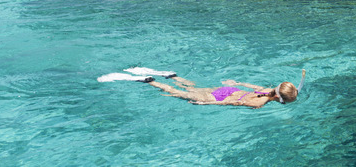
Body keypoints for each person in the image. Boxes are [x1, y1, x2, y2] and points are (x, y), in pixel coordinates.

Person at [98, 67, 305, 108]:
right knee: (179, 94)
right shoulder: (260, 103)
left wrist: (237, 83)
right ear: (280, 100)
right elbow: (236, 102)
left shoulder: (264, 89)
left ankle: (171, 75)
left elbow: (247, 88)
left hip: (228, 90)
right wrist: (205, 103)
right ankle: (149, 81)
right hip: (225, 97)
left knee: (192, 87)